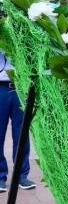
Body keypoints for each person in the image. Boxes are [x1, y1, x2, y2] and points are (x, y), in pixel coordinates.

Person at [0, 50, 35, 192]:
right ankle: (0, 176)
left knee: (21, 133)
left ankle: (21, 175)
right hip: (1, 87)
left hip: (21, 87)